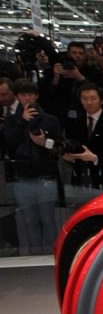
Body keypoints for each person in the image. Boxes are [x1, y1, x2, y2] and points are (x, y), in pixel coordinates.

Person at [3, 79, 63, 254]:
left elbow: (60, 146)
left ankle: (51, 255)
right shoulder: (12, 121)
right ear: (18, 97)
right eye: (23, 95)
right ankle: (35, 256)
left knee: (48, 220)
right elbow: (9, 144)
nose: (27, 98)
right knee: (29, 221)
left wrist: (44, 142)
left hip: (46, 177)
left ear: (36, 96)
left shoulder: (50, 120)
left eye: (30, 94)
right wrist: (22, 122)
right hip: (22, 178)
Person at [61, 82, 103, 189]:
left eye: (93, 98)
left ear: (101, 100)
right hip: (81, 170)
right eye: (84, 99)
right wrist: (71, 155)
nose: (89, 102)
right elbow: (74, 143)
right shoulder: (78, 120)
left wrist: (95, 157)